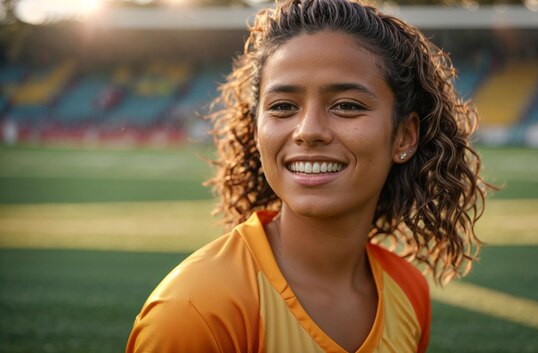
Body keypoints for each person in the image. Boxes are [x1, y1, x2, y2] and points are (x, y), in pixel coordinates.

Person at [126, 0, 489, 352]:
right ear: (257, 130)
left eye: (347, 106)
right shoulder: (196, 310)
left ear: (405, 136)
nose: (308, 130)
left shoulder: (408, 291)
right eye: (283, 106)